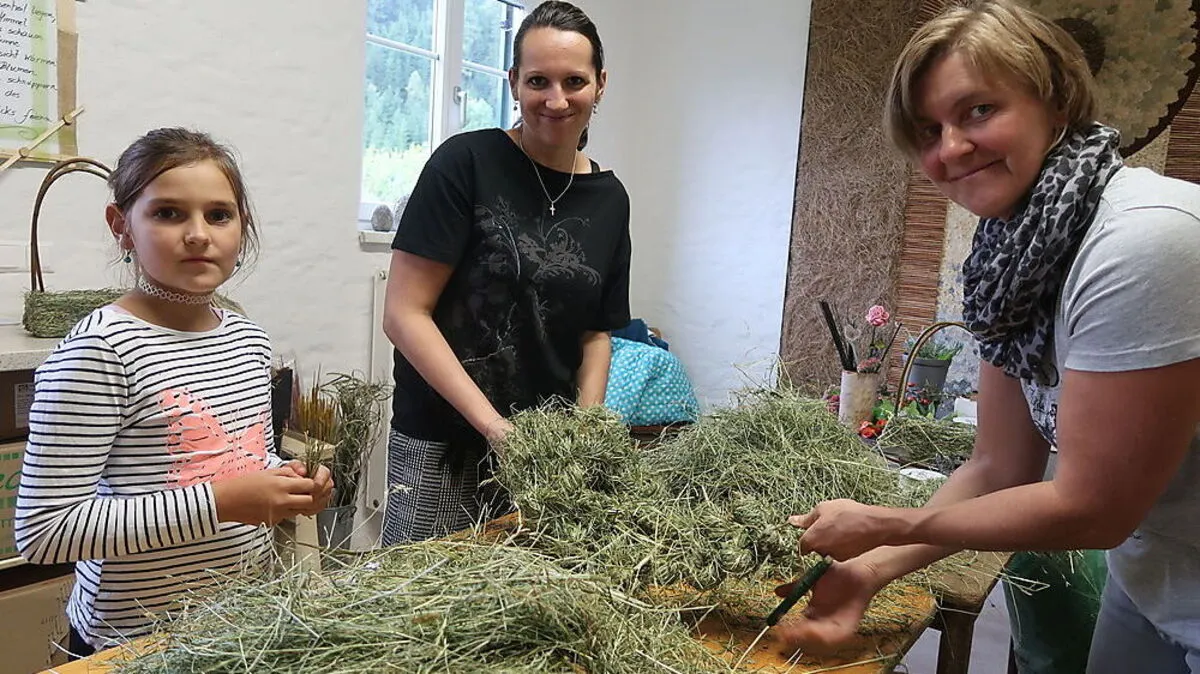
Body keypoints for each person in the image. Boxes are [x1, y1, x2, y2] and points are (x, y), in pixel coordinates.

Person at [781, 2, 1200, 672]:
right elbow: (997, 468)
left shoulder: (1144, 241)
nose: (949, 148)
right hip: (1155, 578)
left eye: (978, 110)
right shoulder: (1013, 253)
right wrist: (873, 570)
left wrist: (889, 521)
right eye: (927, 130)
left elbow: (1093, 510)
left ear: (1055, 102)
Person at [14, 128, 333, 658]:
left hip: (242, 619)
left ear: (242, 227)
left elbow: (240, 457)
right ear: (122, 227)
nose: (197, 234)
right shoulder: (100, 351)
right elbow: (45, 531)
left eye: (218, 214)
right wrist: (221, 503)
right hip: (135, 640)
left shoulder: (247, 337)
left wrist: (289, 481)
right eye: (167, 213)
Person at [381, 0, 631, 545]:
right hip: (443, 442)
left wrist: (584, 434)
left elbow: (596, 332)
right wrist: (496, 428)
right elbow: (404, 313)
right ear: (514, 81)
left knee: (522, 613)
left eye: (574, 81)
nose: (557, 100)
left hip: (542, 458)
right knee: (423, 609)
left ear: (600, 85)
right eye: (538, 80)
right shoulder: (466, 163)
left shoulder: (611, 199)